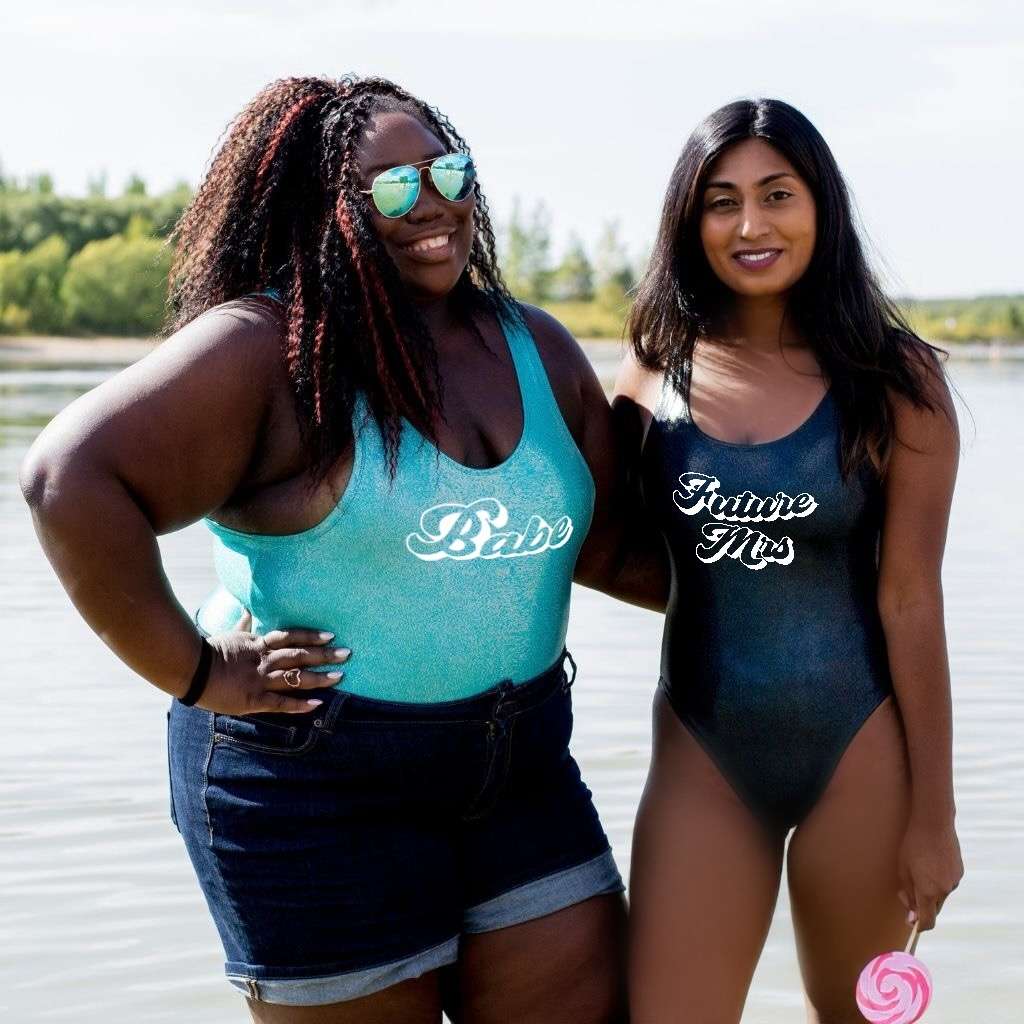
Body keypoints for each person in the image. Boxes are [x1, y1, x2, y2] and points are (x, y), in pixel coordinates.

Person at [20, 75, 664, 1023]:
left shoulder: (536, 346)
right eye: (393, 188)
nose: (433, 204)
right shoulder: (267, 350)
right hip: (312, 787)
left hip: (519, 768)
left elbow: (613, 550)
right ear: (322, 212)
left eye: (450, 172)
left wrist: (823, 585)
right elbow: (67, 480)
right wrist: (197, 671)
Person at [615, 98, 964, 1023]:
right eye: (721, 202)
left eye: (778, 194)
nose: (751, 225)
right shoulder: (651, 374)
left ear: (823, 207)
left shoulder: (898, 383)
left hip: (862, 750)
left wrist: (936, 817)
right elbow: (594, 544)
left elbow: (912, 603)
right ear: (690, 223)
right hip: (702, 753)